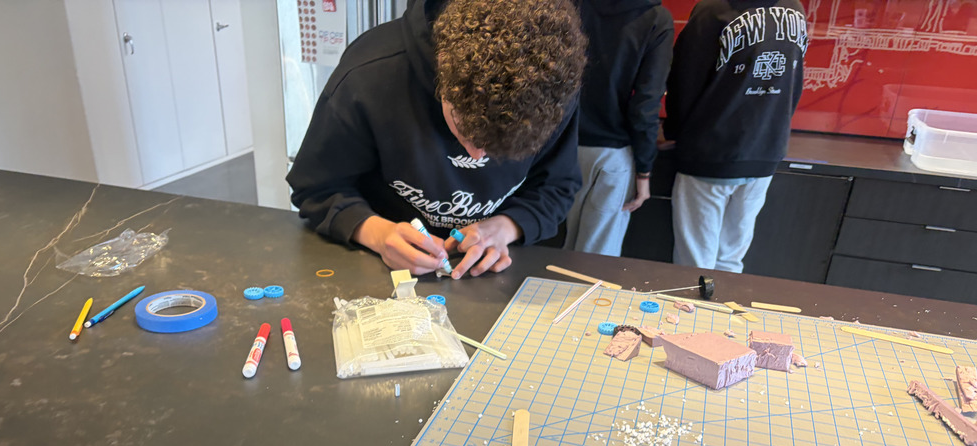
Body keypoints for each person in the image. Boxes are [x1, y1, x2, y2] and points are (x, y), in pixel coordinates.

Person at [287, 0, 587, 279]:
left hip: (495, 272)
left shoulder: (552, 87)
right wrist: (377, 234)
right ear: (443, 70)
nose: (476, 156)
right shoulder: (369, 75)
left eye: (499, 149)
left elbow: (556, 186)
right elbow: (316, 188)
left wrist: (506, 227)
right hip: (379, 266)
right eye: (466, 131)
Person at [664, 0, 807, 272]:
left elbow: (684, 80)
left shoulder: (712, 10)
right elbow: (794, 80)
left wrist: (675, 131)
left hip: (709, 152)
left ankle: (695, 302)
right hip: (765, 148)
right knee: (730, 260)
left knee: (695, 264)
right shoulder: (794, 10)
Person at [563, 0, 674, 257]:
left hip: (564, 147)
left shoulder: (573, 5)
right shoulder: (655, 18)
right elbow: (646, 105)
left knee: (564, 248)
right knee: (597, 257)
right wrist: (644, 172)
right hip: (613, 155)